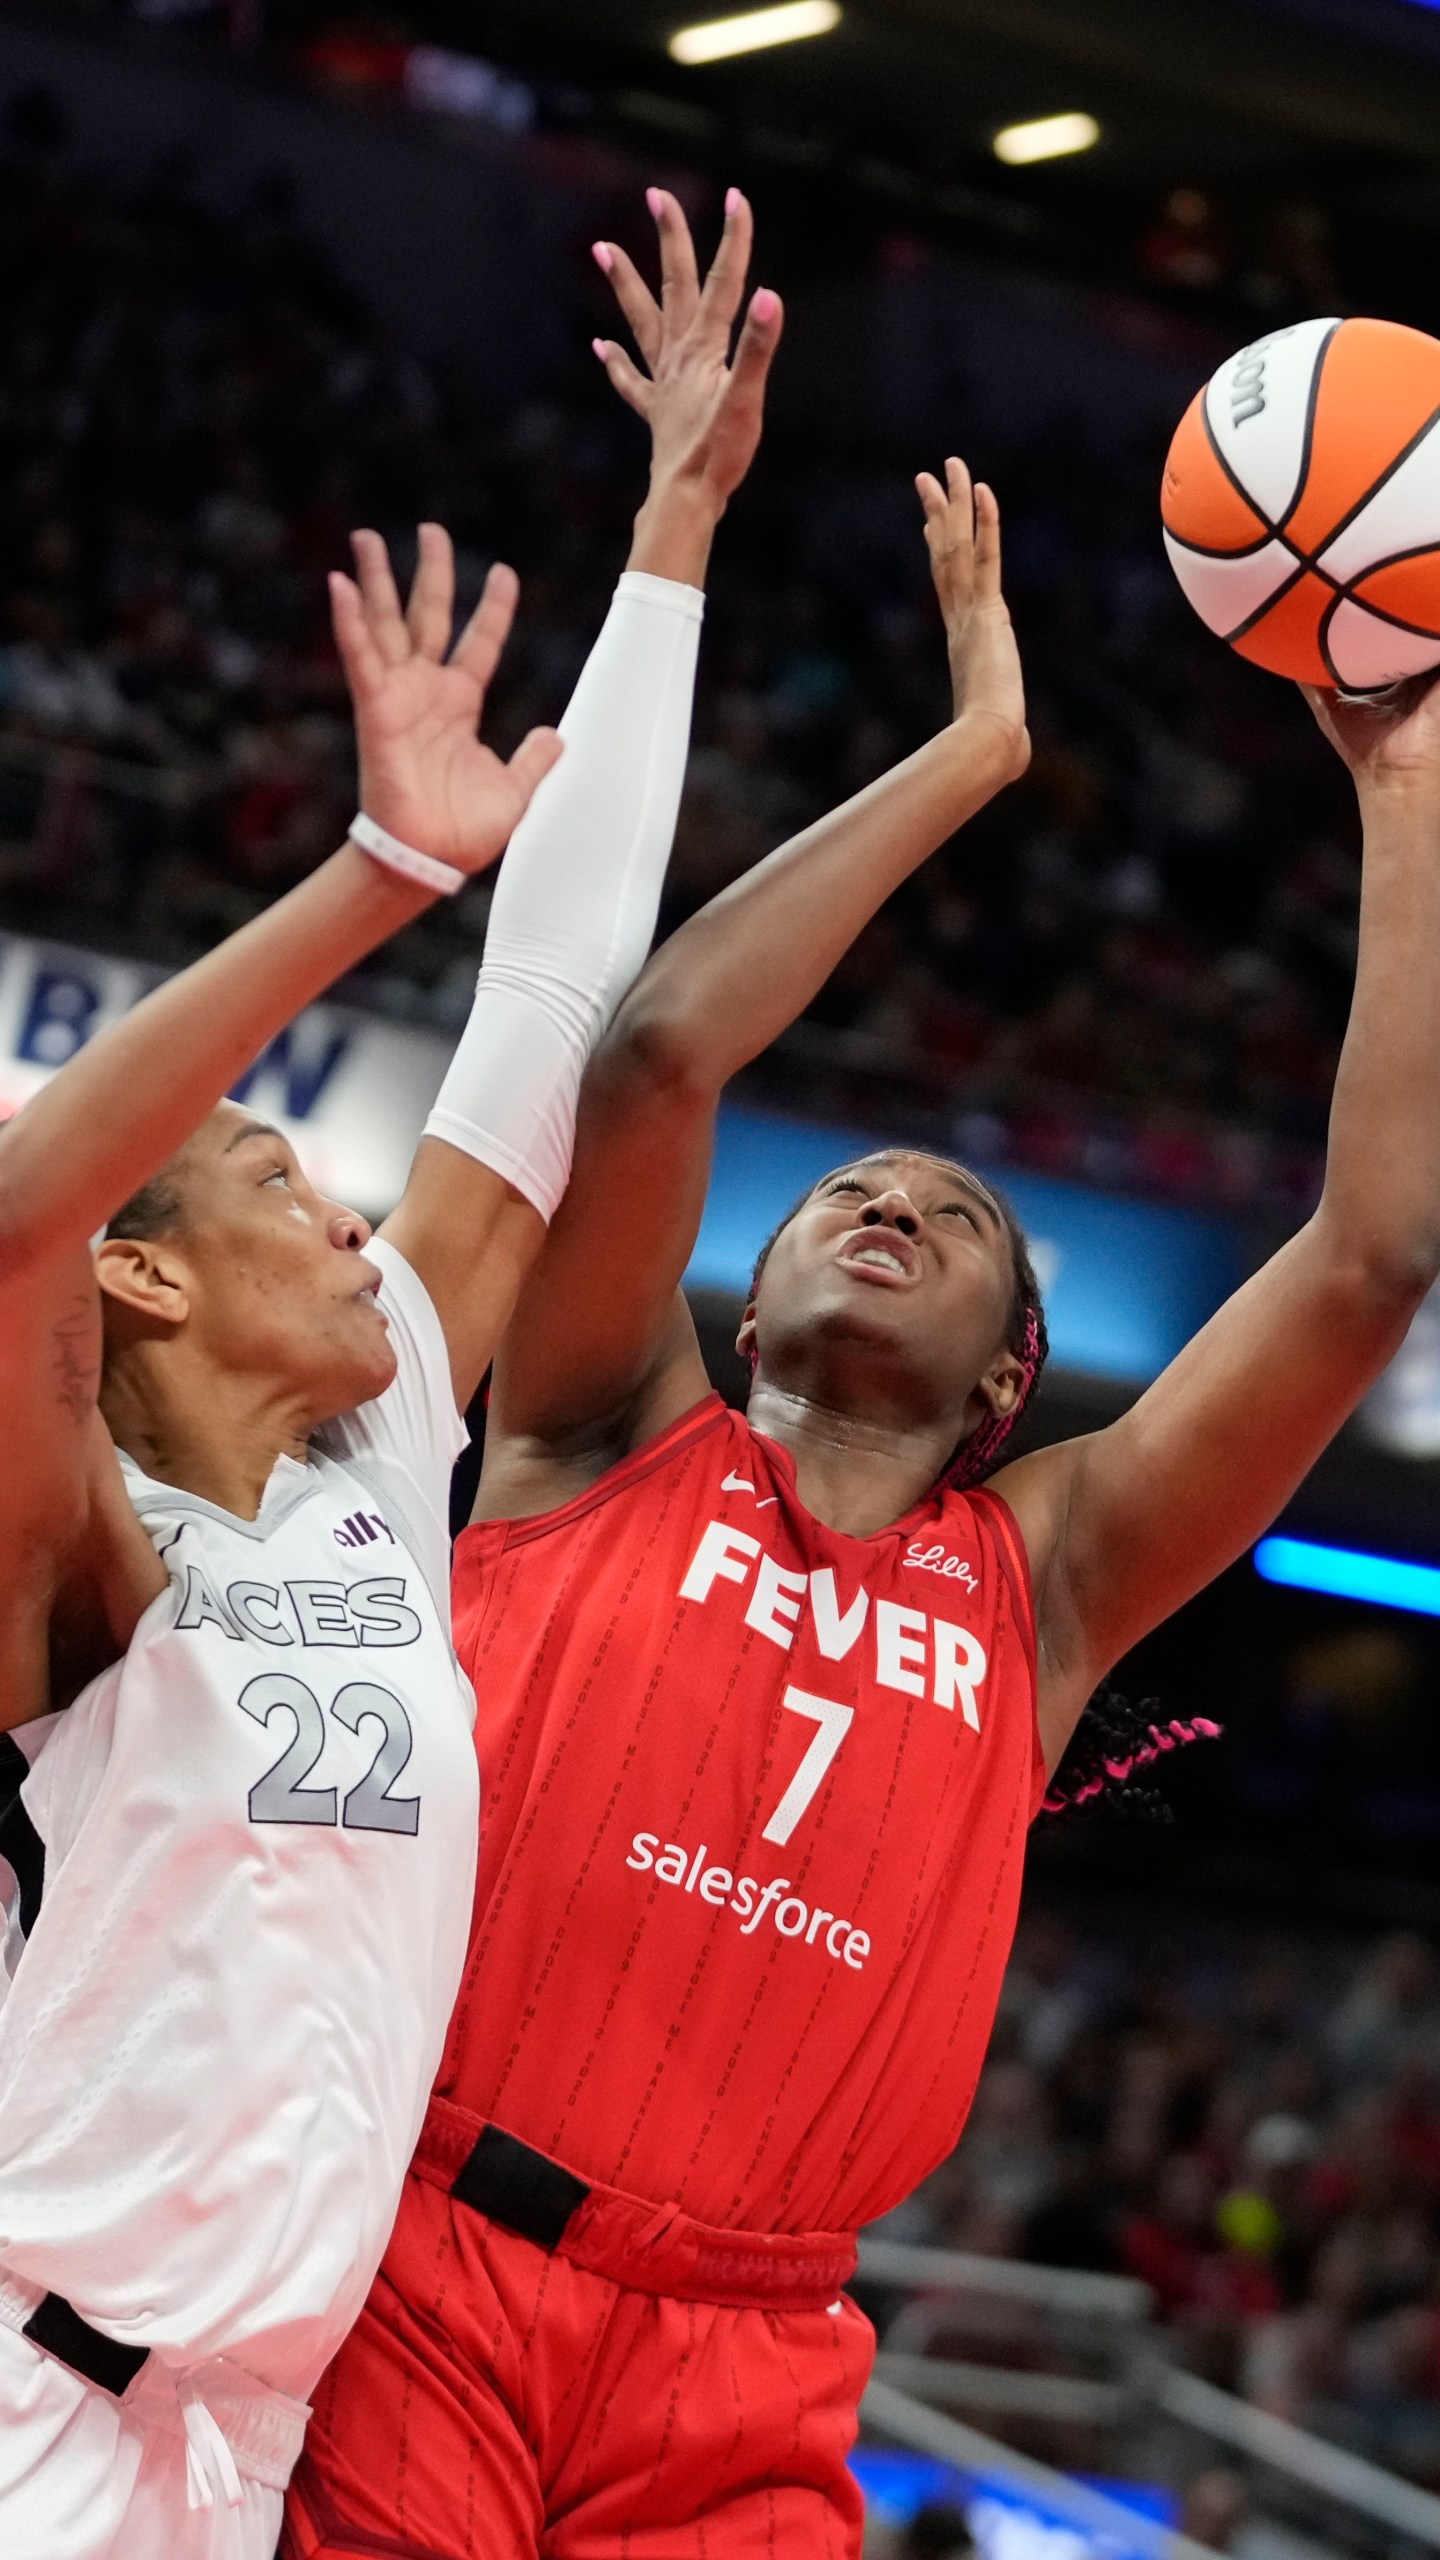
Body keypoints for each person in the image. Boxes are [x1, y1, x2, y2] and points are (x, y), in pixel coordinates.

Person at [288, 411, 1440, 2560]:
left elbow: (1369, 1256)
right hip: (421, 2263)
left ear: (1016, 1369)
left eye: (951, 1208)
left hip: (754, 2363)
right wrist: (971, 750)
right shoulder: (596, 1431)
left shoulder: (1049, 1578)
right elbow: (649, 1057)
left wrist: (1405, 788)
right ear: (745, 1313)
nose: (891, 1195)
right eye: (849, 1187)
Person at [0, 184, 779, 2560]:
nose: (359, 1214)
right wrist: (364, 877)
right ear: (139, 1286)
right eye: (274, 1178)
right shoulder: (68, 1551)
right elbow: (19, 1208)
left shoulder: (379, 1438)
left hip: (249, 2446)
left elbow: (548, 1005)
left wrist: (673, 537)